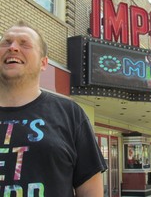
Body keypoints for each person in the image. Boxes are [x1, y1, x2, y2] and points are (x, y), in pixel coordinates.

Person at [0, 20, 107, 196]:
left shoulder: (70, 114)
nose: (13, 47)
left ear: (44, 63)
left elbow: (90, 191)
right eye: (6, 42)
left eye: (24, 43)